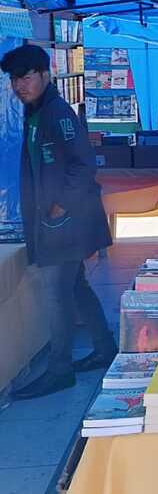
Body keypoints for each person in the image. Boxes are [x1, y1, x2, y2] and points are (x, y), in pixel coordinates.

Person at [1, 44, 116, 399]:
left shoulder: (57, 113)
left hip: (68, 223)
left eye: (26, 77)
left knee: (56, 293)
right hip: (57, 222)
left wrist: (58, 208)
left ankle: (59, 368)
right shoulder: (35, 112)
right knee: (76, 286)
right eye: (14, 79)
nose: (20, 85)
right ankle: (104, 347)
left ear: (44, 74)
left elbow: (84, 164)